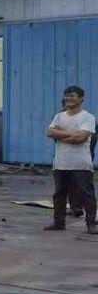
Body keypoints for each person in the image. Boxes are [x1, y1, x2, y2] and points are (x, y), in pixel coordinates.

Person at [45, 85, 97, 233]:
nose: (68, 98)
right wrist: (71, 134)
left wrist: (60, 134)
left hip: (81, 163)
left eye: (72, 95)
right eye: (66, 95)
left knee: (87, 194)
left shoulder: (88, 117)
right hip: (61, 163)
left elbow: (80, 138)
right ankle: (59, 223)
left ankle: (91, 225)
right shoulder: (59, 116)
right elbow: (49, 132)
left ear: (80, 98)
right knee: (59, 194)